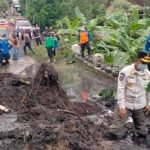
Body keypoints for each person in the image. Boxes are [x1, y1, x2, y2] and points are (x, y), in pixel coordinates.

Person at [108, 51, 150, 145]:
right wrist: (122, 107)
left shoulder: (147, 74)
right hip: (126, 103)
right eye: (142, 63)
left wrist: (149, 104)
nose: (144, 65)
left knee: (143, 131)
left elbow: (149, 90)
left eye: (146, 63)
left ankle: (137, 143)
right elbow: (120, 90)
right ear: (136, 60)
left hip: (140, 104)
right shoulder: (125, 72)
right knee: (115, 130)